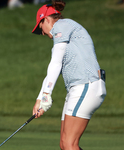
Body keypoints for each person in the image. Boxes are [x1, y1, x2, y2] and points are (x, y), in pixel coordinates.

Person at [31, 0, 106, 150]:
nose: (43, 33)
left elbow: (56, 63)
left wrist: (47, 96)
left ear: (46, 19)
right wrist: (40, 99)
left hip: (86, 85)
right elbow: (52, 71)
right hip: (77, 89)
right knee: (64, 144)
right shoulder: (61, 42)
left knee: (70, 144)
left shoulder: (62, 25)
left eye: (41, 28)